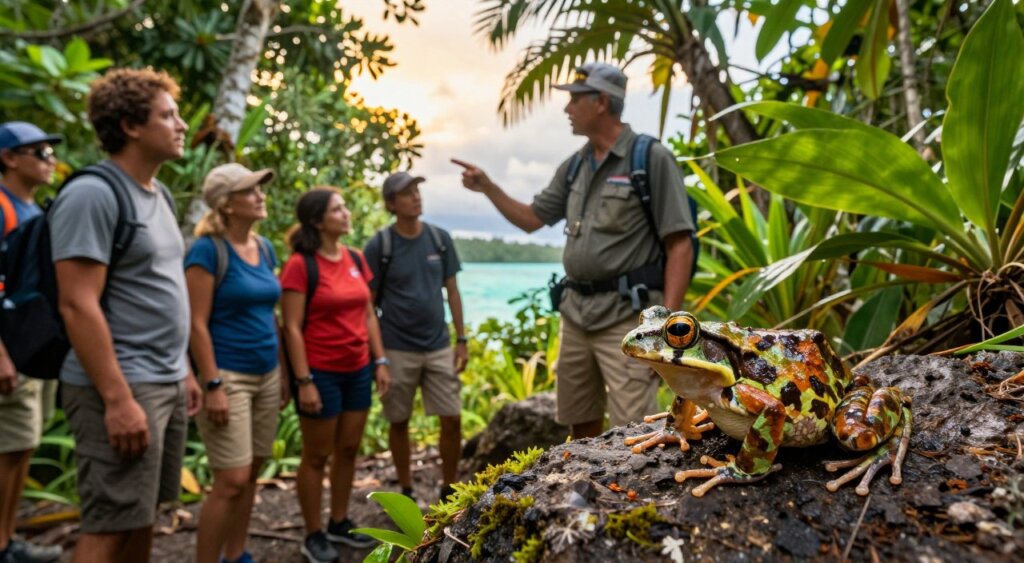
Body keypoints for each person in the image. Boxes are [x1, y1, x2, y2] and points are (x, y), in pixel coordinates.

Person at [453, 62, 696, 440]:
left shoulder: (650, 158)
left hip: (626, 315)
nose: (567, 108)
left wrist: (666, 331)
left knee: (633, 427)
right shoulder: (575, 166)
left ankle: (630, 500)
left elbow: (679, 243)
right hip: (576, 315)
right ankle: (586, 493)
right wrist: (488, 187)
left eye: (575, 100)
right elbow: (532, 218)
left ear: (601, 102)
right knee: (579, 419)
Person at [48, 68, 202, 563]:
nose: (181, 125)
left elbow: (158, 289)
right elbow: (77, 302)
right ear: (132, 126)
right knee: (109, 522)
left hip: (163, 380)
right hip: (121, 385)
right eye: (168, 115)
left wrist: (183, 368)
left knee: (141, 515)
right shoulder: (93, 194)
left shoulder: (157, 194)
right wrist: (116, 399)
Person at [280, 187, 390, 563]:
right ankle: (313, 534)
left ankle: (339, 521)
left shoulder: (355, 258)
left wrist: (380, 361)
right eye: (337, 209)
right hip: (320, 372)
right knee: (316, 455)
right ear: (317, 220)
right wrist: (304, 380)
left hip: (358, 368)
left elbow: (367, 314)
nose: (346, 214)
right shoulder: (301, 264)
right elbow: (291, 327)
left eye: (344, 208)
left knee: (348, 449)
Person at [186, 163, 288, 563]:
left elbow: (271, 316)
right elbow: (196, 323)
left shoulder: (264, 248)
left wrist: (282, 376)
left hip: (267, 373)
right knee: (230, 479)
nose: (260, 196)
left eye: (260, 189)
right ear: (226, 204)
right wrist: (212, 384)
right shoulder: (206, 251)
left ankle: (237, 553)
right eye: (250, 191)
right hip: (228, 374)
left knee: (252, 472)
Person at [363, 172, 466, 502]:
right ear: (392, 204)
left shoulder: (439, 238)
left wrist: (461, 339)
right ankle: (406, 489)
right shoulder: (381, 245)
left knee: (451, 418)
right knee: (399, 420)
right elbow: (368, 304)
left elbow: (452, 291)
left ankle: (448, 487)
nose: (416, 197)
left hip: (437, 345)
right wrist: (378, 358)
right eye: (407, 193)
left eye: (417, 191)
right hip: (396, 347)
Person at [0, 122, 64, 563]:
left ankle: (8, 538)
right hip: (9, 350)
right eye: (38, 152)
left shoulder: (35, 211)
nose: (49, 160)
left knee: (23, 443)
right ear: (9, 158)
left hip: (32, 347)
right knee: (8, 444)